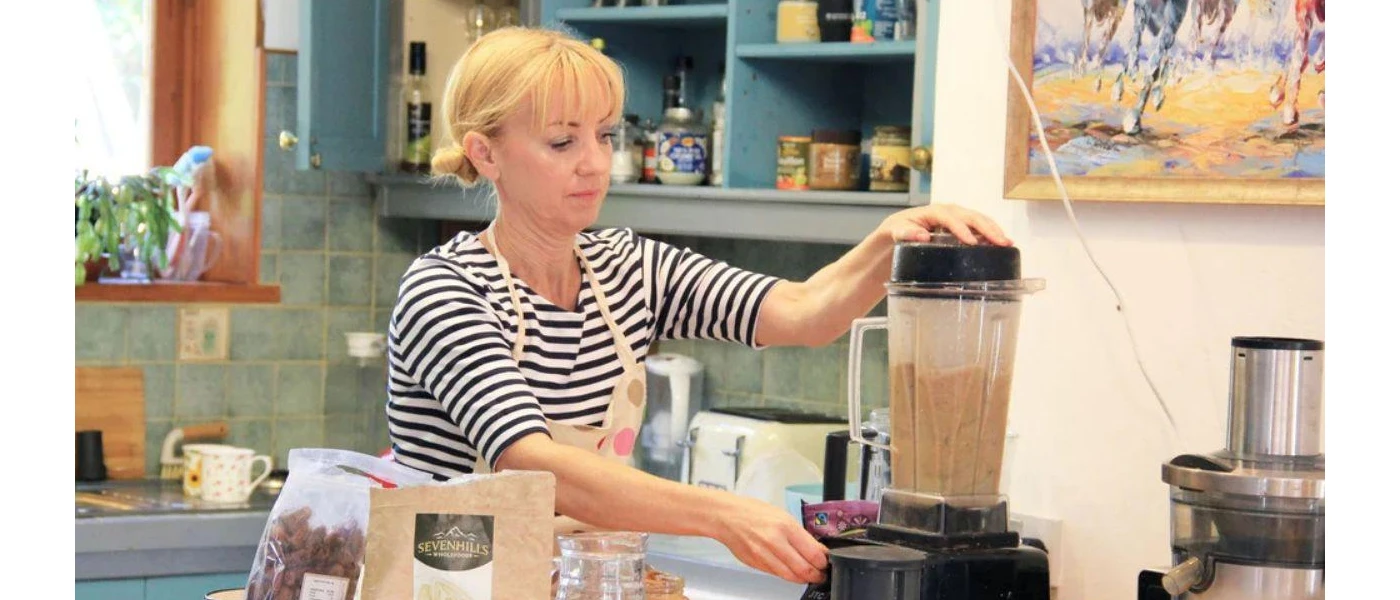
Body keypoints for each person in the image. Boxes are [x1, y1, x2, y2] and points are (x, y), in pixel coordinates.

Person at [385, 27, 1013, 585]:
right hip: (450, 581)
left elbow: (802, 312)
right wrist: (726, 515)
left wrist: (890, 240)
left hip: (584, 582)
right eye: (561, 142)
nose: (594, 163)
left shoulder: (628, 269)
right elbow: (537, 464)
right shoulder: (445, 290)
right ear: (485, 152)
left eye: (604, 136)